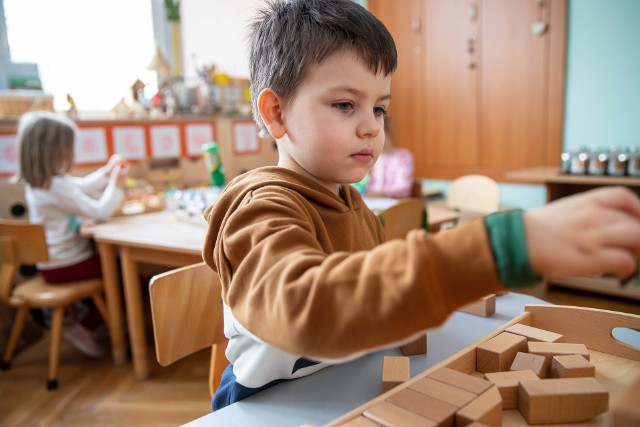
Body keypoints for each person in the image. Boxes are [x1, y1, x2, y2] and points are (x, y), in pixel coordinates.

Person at [202, 0, 640, 411]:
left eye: (379, 109)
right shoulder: (261, 209)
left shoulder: (350, 201)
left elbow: (373, 292)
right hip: (265, 404)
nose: (372, 128)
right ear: (276, 112)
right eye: (345, 105)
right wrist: (498, 248)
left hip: (343, 384)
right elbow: (307, 310)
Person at [16, 110, 128, 358]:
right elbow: (99, 211)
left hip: (52, 263)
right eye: (67, 148)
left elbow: (80, 187)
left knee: (116, 268)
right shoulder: (54, 185)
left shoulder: (44, 181)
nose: (71, 153)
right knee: (122, 272)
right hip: (65, 265)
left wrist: (108, 173)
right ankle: (87, 326)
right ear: (54, 151)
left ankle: (100, 324)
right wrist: (117, 183)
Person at [365, 117, 415, 198]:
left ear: (388, 131)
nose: (376, 140)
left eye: (378, 135)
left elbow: (403, 188)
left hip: (394, 203)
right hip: (370, 202)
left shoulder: (403, 156)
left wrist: (381, 193)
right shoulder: (369, 157)